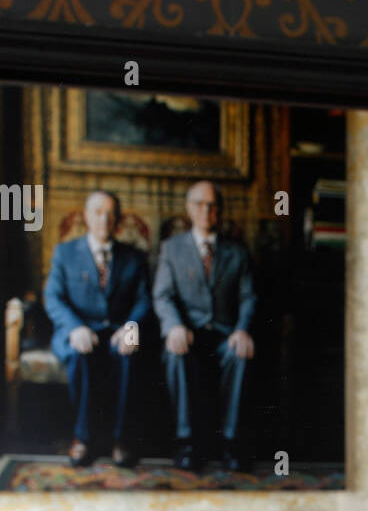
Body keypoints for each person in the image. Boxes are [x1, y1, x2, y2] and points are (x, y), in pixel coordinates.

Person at [153, 180, 256, 471]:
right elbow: (162, 296)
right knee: (175, 353)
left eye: (212, 205)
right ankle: (187, 443)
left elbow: (249, 297)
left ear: (220, 211)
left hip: (225, 334)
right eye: (199, 204)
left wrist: (243, 328)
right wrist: (173, 326)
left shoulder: (237, 252)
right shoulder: (171, 249)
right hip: (189, 333)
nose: (206, 211)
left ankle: (231, 443)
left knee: (241, 354)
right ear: (189, 208)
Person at [44, 190, 150, 468]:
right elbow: (53, 297)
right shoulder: (65, 252)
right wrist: (74, 327)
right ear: (86, 217)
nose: (104, 219)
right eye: (98, 212)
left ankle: (121, 440)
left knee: (130, 354)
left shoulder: (134, 257)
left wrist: (131, 326)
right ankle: (83, 438)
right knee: (80, 355)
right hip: (77, 329)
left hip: (117, 329)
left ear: (118, 219)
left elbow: (143, 300)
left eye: (110, 213)